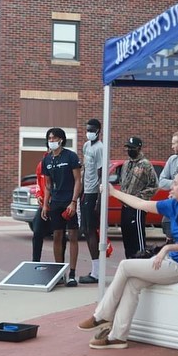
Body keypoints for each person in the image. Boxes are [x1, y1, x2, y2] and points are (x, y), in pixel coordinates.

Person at [77, 169, 178, 349]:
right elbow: (141, 204)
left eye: (176, 183)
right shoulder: (174, 205)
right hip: (171, 263)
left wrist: (167, 247)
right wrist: (114, 192)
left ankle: (102, 315)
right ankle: (117, 337)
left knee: (125, 266)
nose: (172, 186)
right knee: (133, 283)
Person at [41, 127, 82, 287]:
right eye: (50, 139)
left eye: (55, 138)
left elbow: (78, 180)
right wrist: (45, 204)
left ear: (61, 140)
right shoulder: (47, 160)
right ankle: (60, 273)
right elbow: (48, 184)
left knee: (72, 236)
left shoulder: (70, 156)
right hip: (55, 202)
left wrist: (73, 201)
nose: (52, 141)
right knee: (57, 236)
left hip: (68, 201)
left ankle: (72, 273)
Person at [119, 137, 158, 259]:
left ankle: (141, 261)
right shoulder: (126, 164)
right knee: (127, 237)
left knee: (138, 239)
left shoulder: (145, 164)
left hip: (138, 207)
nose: (130, 150)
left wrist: (139, 198)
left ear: (139, 148)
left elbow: (154, 185)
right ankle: (129, 262)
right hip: (125, 205)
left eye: (132, 148)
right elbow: (122, 182)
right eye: (128, 148)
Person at [78, 119, 103, 284]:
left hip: (94, 193)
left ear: (99, 130)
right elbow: (85, 169)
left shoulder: (100, 148)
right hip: (85, 192)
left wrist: (98, 201)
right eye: (88, 129)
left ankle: (97, 272)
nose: (89, 132)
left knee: (91, 230)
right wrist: (80, 192)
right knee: (85, 230)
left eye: (92, 130)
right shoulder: (87, 146)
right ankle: (95, 270)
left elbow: (101, 175)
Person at [31, 149, 67, 263]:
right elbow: (39, 182)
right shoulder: (42, 164)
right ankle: (35, 262)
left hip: (58, 203)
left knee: (60, 235)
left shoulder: (63, 164)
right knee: (37, 232)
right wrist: (38, 196)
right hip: (45, 205)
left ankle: (60, 266)